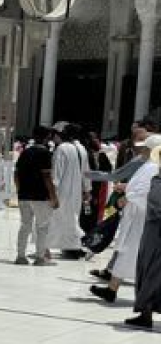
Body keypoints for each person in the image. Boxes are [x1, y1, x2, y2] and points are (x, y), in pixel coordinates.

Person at [91, 138, 161, 305]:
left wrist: (127, 197)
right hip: (136, 217)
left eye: (144, 148)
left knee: (132, 254)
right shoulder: (148, 166)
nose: (141, 151)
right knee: (127, 254)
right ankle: (112, 289)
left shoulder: (151, 167)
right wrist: (126, 188)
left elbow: (146, 191)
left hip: (141, 218)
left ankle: (137, 298)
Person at [123, 158, 161, 330]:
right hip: (152, 231)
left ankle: (146, 312)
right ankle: (145, 313)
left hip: (155, 233)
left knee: (151, 271)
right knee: (148, 271)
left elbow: (155, 207)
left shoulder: (157, 181)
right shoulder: (156, 180)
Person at [13, 126, 58, 266]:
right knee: (42, 227)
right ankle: (40, 257)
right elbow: (46, 177)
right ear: (46, 138)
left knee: (25, 225)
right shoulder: (45, 154)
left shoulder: (24, 152)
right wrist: (53, 196)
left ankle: (20, 256)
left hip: (24, 195)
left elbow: (16, 174)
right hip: (40, 196)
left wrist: (21, 191)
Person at [48, 124, 90, 259]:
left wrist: (52, 190)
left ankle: (76, 245)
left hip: (63, 191)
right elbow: (86, 172)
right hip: (77, 191)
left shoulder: (62, 148)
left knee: (59, 219)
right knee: (72, 218)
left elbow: (57, 172)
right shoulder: (82, 148)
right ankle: (72, 247)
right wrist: (87, 190)